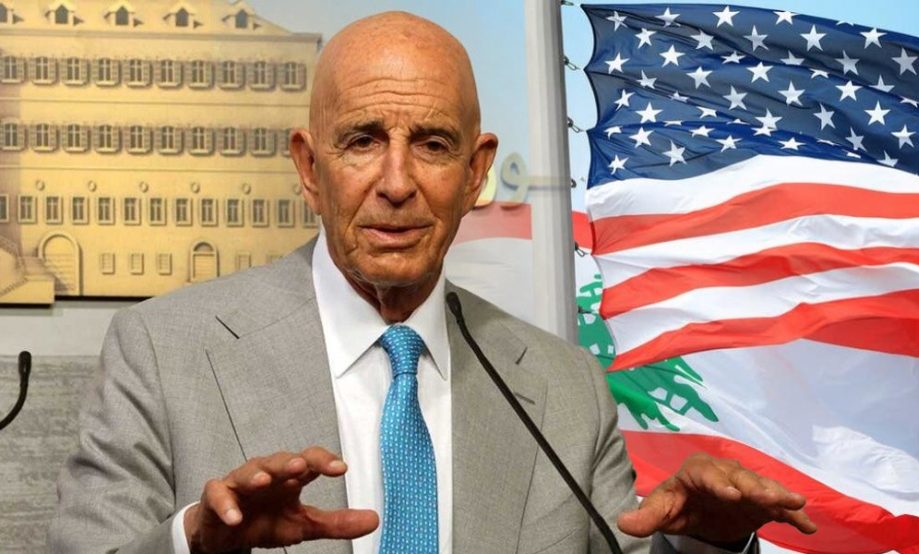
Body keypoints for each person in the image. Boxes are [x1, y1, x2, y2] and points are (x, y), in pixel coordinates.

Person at [50, 12, 816, 554]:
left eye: (432, 144)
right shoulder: (163, 350)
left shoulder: (566, 389)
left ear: (476, 172)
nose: (396, 182)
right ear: (310, 168)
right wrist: (192, 542)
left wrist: (710, 542)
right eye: (362, 141)